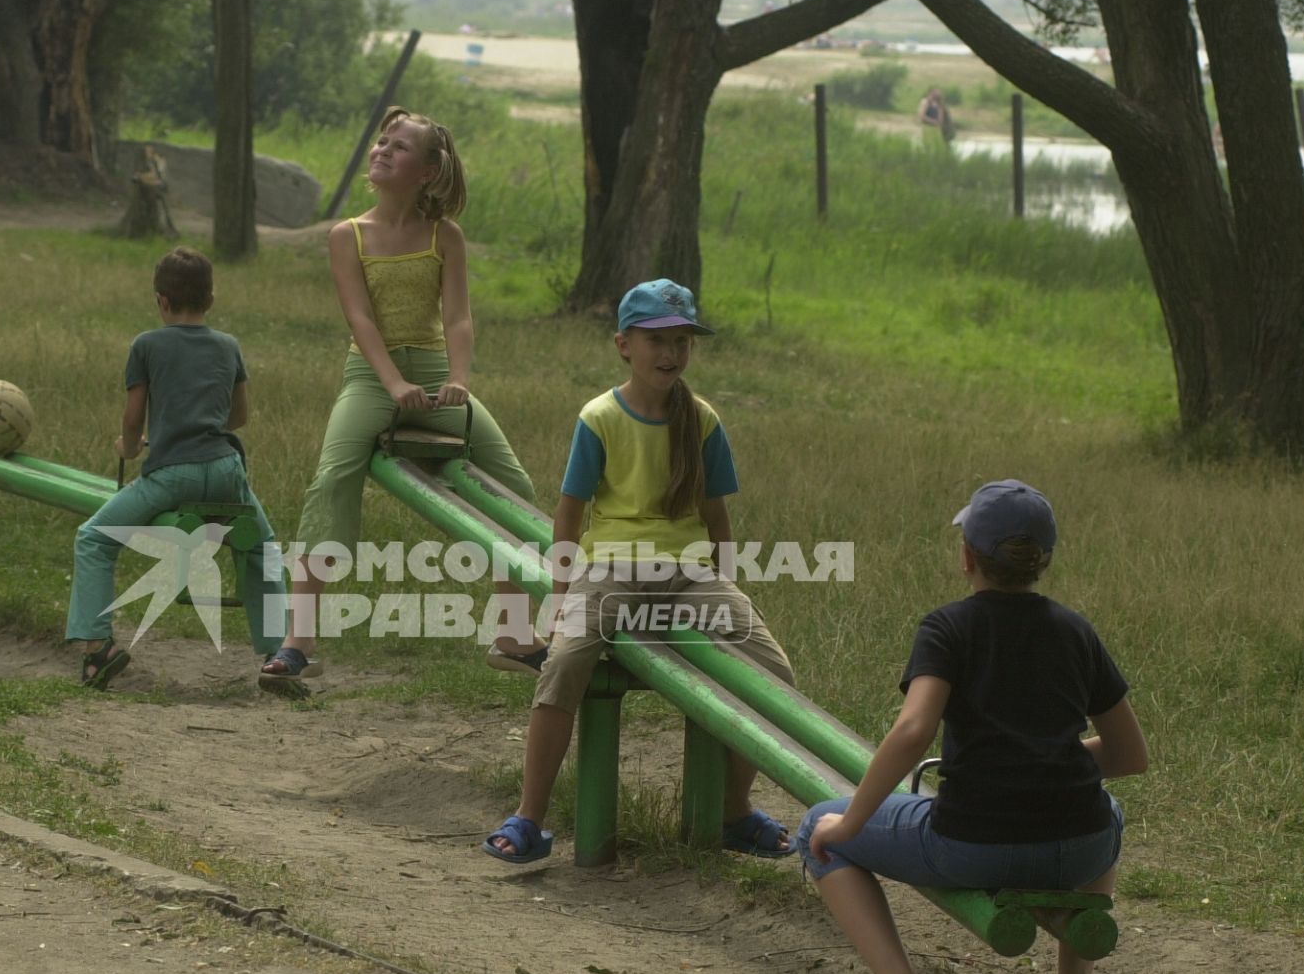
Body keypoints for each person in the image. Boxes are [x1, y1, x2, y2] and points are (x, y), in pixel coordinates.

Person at [796, 480, 1149, 974]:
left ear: (967, 557)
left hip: (971, 845)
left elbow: (914, 730)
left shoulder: (948, 627)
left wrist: (852, 821)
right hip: (1075, 846)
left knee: (819, 828)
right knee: (1108, 807)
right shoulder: (1076, 631)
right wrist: (1046, 760)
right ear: (1044, 561)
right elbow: (1130, 756)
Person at [483, 279, 800, 864]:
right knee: (566, 663)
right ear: (623, 344)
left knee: (773, 670)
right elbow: (570, 515)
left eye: (681, 339)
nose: (670, 352)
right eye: (655, 338)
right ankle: (529, 818)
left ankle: (732, 811)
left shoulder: (702, 421)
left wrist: (726, 584)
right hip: (610, 570)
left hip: (688, 575)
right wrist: (559, 603)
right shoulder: (600, 417)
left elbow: (716, 516)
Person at [260, 106, 542, 688]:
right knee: (333, 475)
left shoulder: (446, 236)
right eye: (382, 142)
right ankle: (299, 642)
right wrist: (392, 384)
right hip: (371, 374)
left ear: (429, 171)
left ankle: (514, 634)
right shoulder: (348, 236)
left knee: (515, 484)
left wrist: (458, 380)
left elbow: (458, 317)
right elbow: (360, 319)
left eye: (400, 146)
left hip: (436, 369)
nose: (383, 150)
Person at [65, 247, 286, 689]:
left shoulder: (147, 345)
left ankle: (97, 652)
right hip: (227, 471)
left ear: (160, 300)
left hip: (172, 474)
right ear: (211, 299)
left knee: (93, 539)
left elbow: (133, 419)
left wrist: (129, 448)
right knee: (263, 548)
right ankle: (278, 655)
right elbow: (238, 416)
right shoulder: (228, 346)